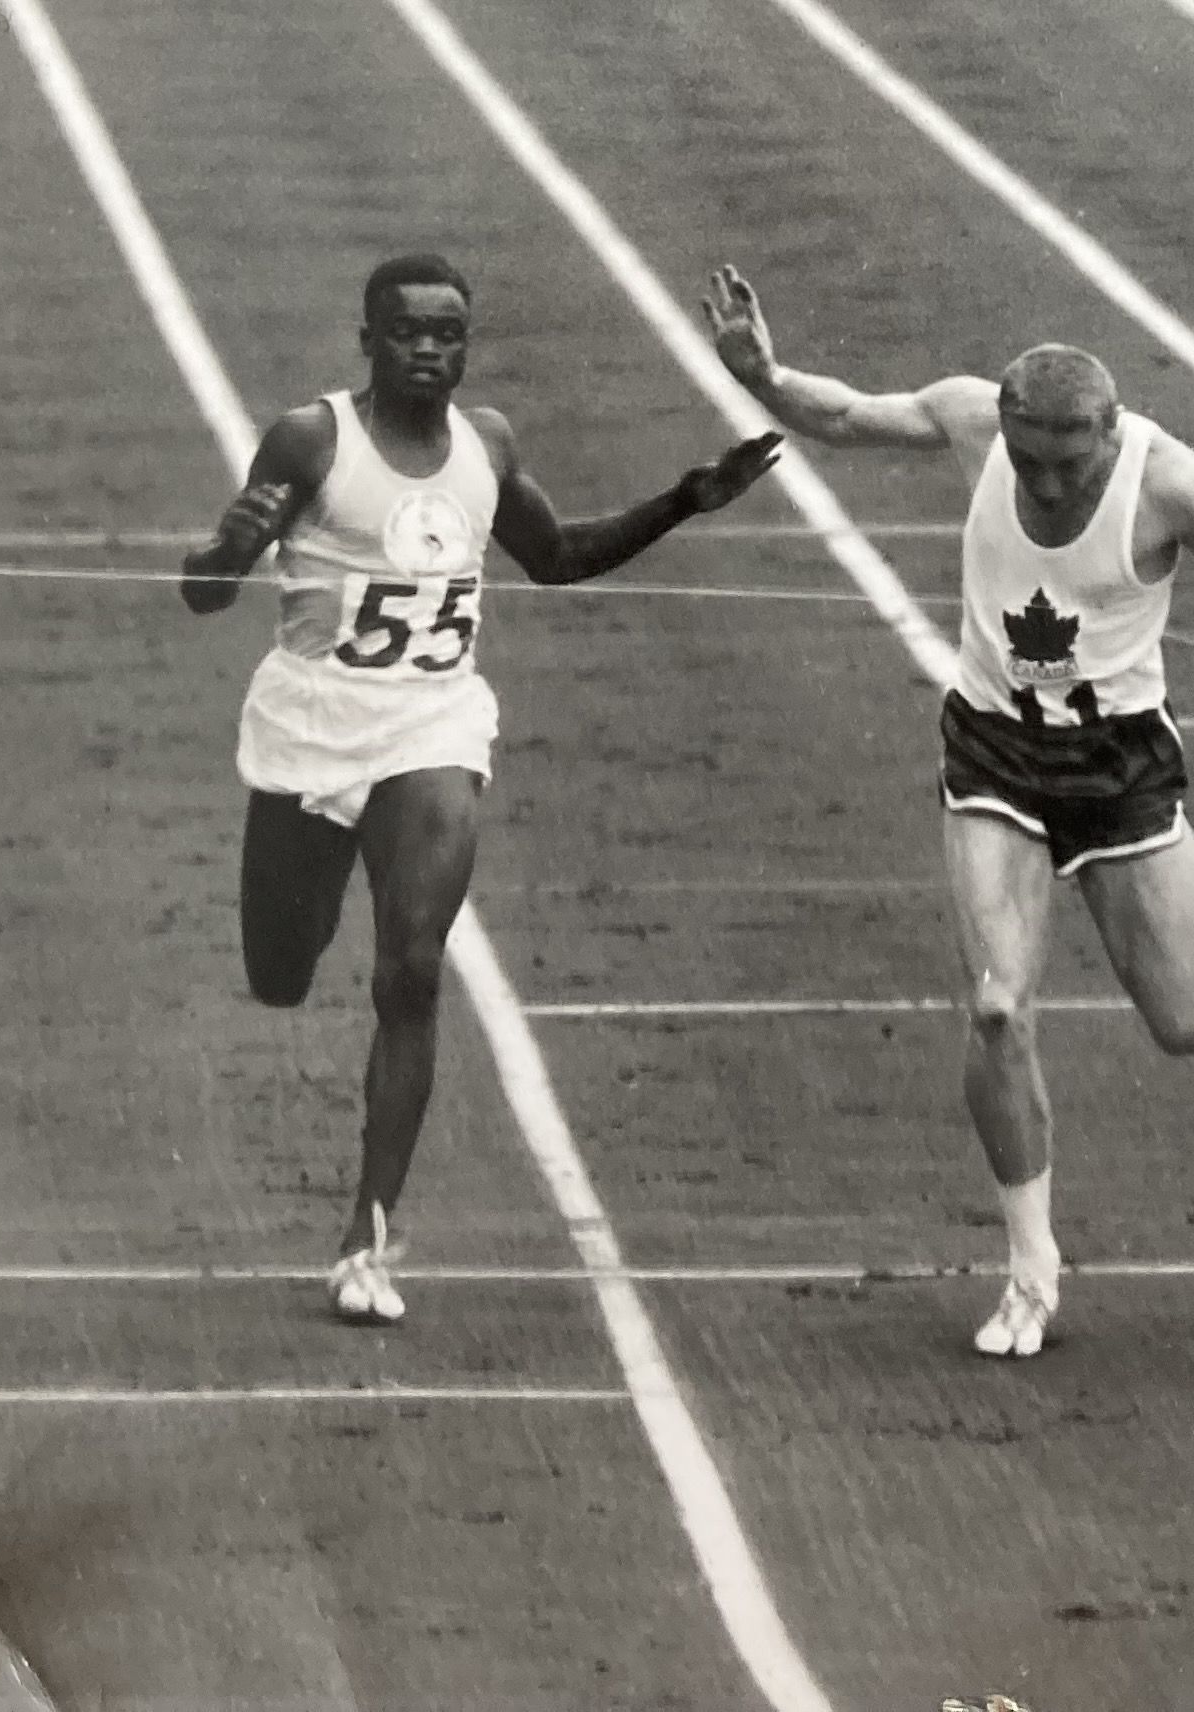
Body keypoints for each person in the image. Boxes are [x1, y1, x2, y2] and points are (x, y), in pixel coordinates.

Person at [698, 269, 1194, 1359]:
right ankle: (1031, 1266)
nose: (1048, 485)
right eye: (1029, 463)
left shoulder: (1174, 487)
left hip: (1120, 770)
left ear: (1112, 436)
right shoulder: (974, 422)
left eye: (1070, 466)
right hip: (994, 757)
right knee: (994, 1008)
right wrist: (764, 372)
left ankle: (1144, 919)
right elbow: (839, 416)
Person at [182, 255, 780, 1322]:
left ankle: (369, 1240)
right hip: (312, 727)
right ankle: (304, 923)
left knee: (411, 971)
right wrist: (223, 555)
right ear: (368, 341)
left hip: (435, 722)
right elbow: (203, 589)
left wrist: (686, 501)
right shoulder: (312, 439)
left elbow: (555, 559)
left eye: (449, 334)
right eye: (409, 332)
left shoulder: (487, 445)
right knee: (279, 970)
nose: (431, 350)